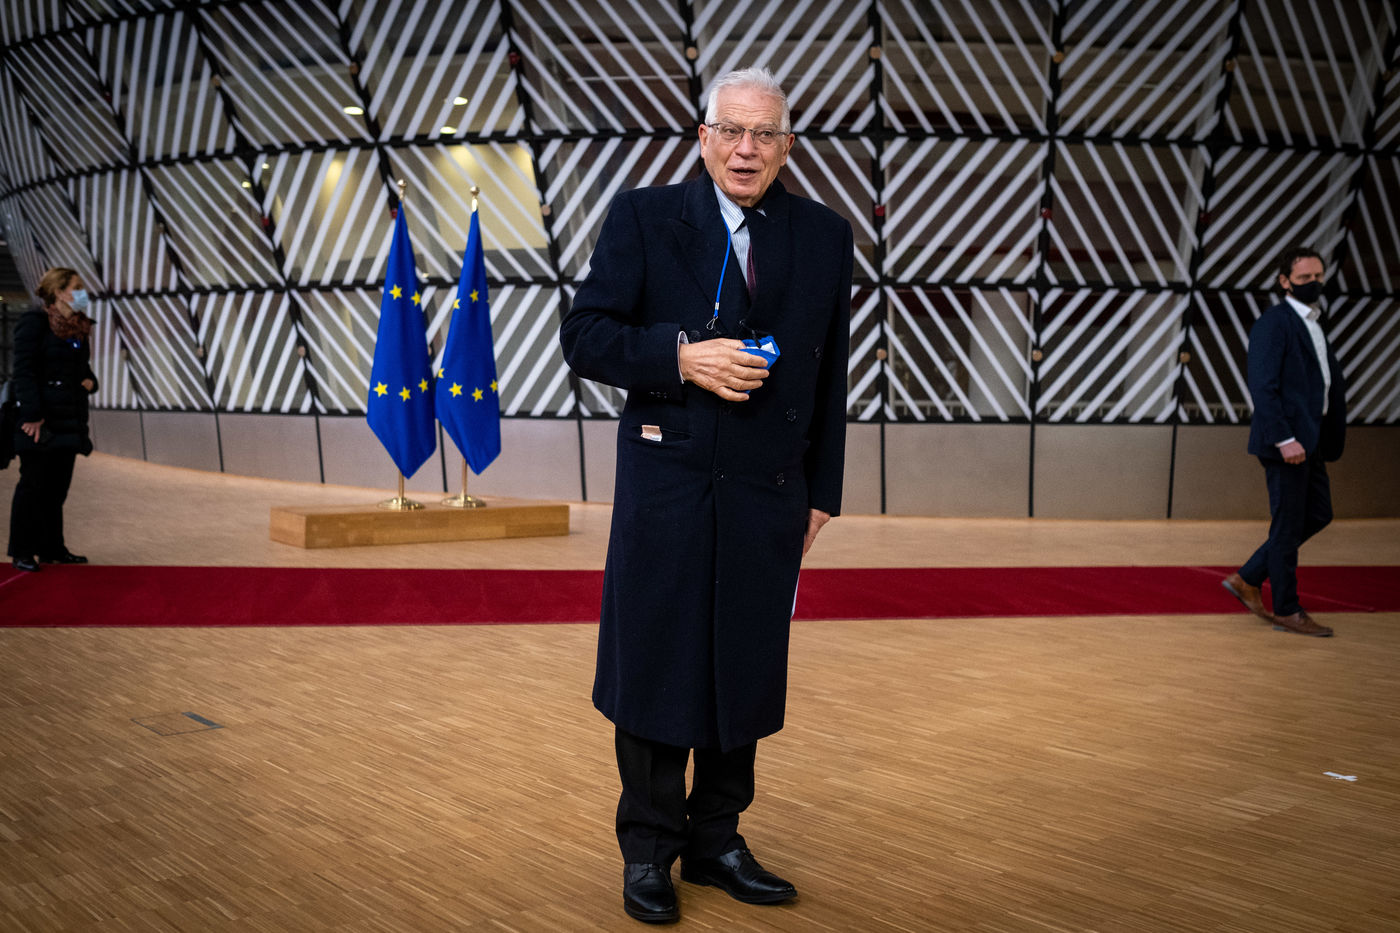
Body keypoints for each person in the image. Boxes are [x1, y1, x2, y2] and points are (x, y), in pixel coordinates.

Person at [559, 67, 852, 923]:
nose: (746, 149)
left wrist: (823, 491)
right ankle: (649, 850)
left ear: (786, 146)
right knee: (658, 665)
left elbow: (830, 373)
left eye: (764, 134)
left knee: (744, 668)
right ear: (703, 138)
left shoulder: (825, 235)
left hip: (770, 492)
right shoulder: (644, 217)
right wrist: (680, 356)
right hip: (668, 487)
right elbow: (585, 335)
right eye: (731, 130)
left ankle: (717, 839)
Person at [1221, 247, 1346, 637]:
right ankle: (1287, 610)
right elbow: (1263, 385)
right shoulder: (1274, 323)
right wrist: (1284, 438)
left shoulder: (1314, 323)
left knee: (1318, 514)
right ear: (1285, 281)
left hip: (1311, 439)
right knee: (1289, 524)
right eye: (1305, 278)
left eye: (1318, 276)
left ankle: (1248, 577)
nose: (1314, 283)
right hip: (1287, 443)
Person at [7, 267, 98, 572]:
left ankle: (52, 548)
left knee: (57, 489)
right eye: (77, 287)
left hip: (68, 419)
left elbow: (81, 370)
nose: (83, 293)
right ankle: (22, 551)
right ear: (59, 292)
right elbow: (23, 371)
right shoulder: (35, 323)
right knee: (32, 486)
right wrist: (32, 415)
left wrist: (91, 382)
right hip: (40, 421)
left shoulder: (78, 327)